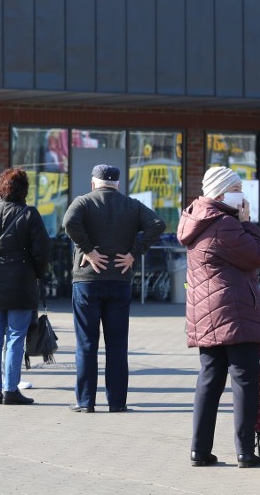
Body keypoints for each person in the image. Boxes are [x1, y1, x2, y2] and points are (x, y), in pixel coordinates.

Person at [176, 166, 260, 468]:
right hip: (234, 312)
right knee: (244, 381)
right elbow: (256, 256)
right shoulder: (225, 224)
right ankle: (245, 451)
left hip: (206, 313)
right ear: (220, 191)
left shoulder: (196, 219)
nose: (241, 193)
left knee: (210, 380)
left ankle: (199, 450)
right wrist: (248, 223)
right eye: (236, 187)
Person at [62, 164, 165, 413]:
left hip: (87, 280)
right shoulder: (131, 205)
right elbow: (157, 224)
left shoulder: (84, 202)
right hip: (119, 280)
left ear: (94, 181)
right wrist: (134, 254)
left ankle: (85, 401)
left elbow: (69, 222)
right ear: (117, 184)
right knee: (117, 345)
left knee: (87, 344)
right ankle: (117, 402)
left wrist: (88, 250)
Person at [0, 168, 50, 405]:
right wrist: (36, 273)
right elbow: (42, 251)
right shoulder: (30, 214)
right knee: (16, 336)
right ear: (24, 190)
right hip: (20, 280)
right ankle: (10, 389)